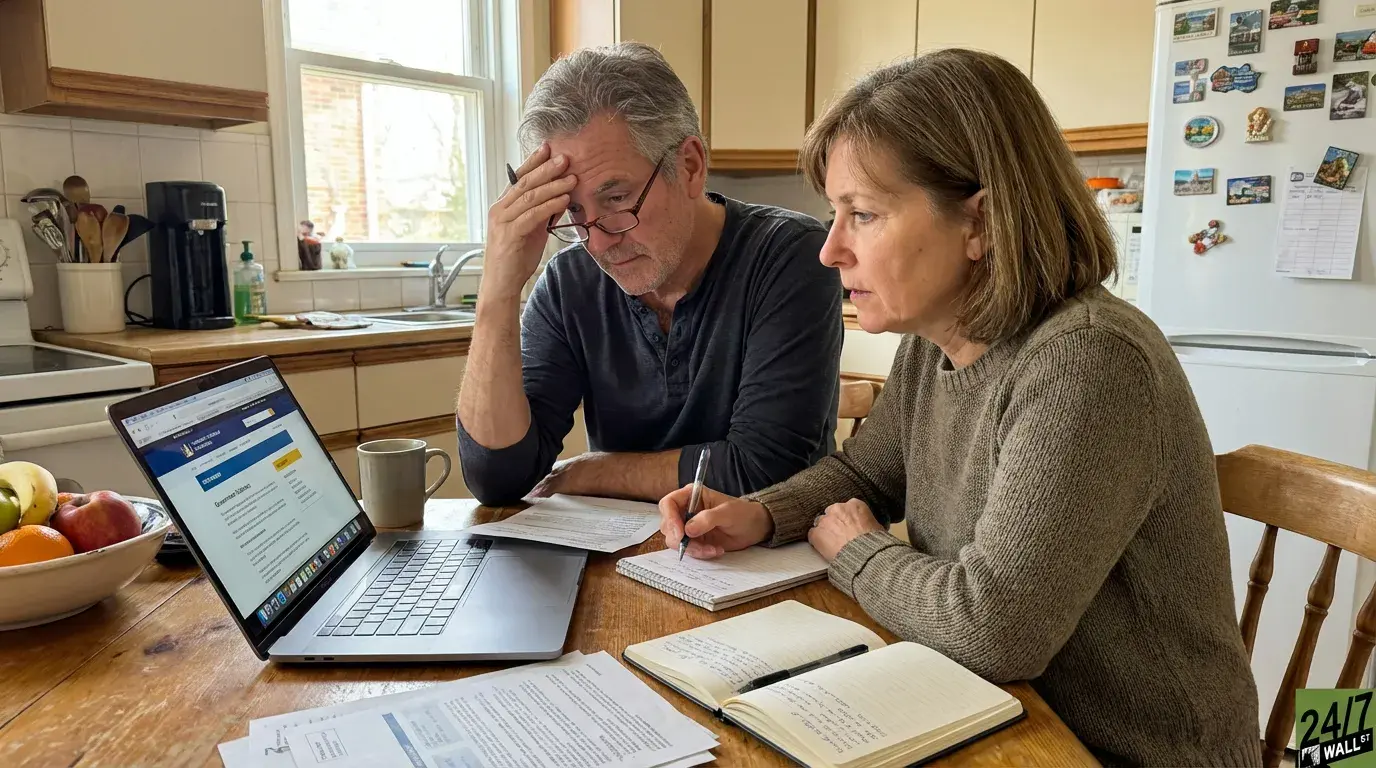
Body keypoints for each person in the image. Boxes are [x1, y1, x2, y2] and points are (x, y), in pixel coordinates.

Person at [658, 50, 1261, 767]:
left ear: (981, 223)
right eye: (834, 214)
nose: (830, 250)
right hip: (995, 714)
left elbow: (994, 629)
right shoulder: (938, 339)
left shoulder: (1088, 360)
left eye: (863, 214)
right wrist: (761, 514)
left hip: (1124, 752)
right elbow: (866, 476)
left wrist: (859, 552)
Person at [456, 42, 842, 505]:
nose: (598, 243)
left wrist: (593, 469)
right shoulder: (567, 283)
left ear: (690, 166)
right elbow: (497, 480)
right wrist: (498, 290)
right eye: (573, 210)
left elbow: (763, 470)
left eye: (617, 199)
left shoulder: (790, 254)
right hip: (621, 544)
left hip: (778, 544)